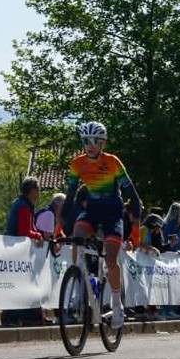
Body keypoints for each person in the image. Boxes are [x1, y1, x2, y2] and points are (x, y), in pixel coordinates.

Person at [62, 122, 142, 329]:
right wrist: (59, 227)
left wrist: (135, 228)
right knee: (77, 236)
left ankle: (117, 305)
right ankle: (82, 280)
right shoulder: (78, 163)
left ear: (103, 143)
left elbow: (133, 196)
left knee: (111, 259)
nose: (90, 145)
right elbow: (70, 196)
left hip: (113, 212)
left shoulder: (113, 162)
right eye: (86, 141)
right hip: (93, 208)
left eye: (95, 141)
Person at [2, 176, 48, 327]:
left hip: (18, 251)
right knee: (19, 284)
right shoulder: (23, 206)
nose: (39, 192)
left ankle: (33, 315)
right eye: (38, 189)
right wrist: (38, 235)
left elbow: (31, 227)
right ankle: (12, 317)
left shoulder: (24, 204)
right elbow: (24, 231)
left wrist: (37, 233)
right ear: (33, 191)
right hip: (17, 252)